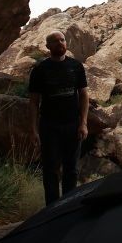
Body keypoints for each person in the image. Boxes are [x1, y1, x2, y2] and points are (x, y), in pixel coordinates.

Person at [28, 31, 89, 205]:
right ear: (48, 46)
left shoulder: (76, 66)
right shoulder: (40, 70)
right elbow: (33, 102)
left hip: (72, 124)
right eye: (55, 41)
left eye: (62, 40)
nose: (60, 43)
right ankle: (52, 209)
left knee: (71, 169)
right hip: (49, 126)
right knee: (50, 170)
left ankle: (68, 206)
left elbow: (83, 95)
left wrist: (83, 123)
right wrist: (33, 130)